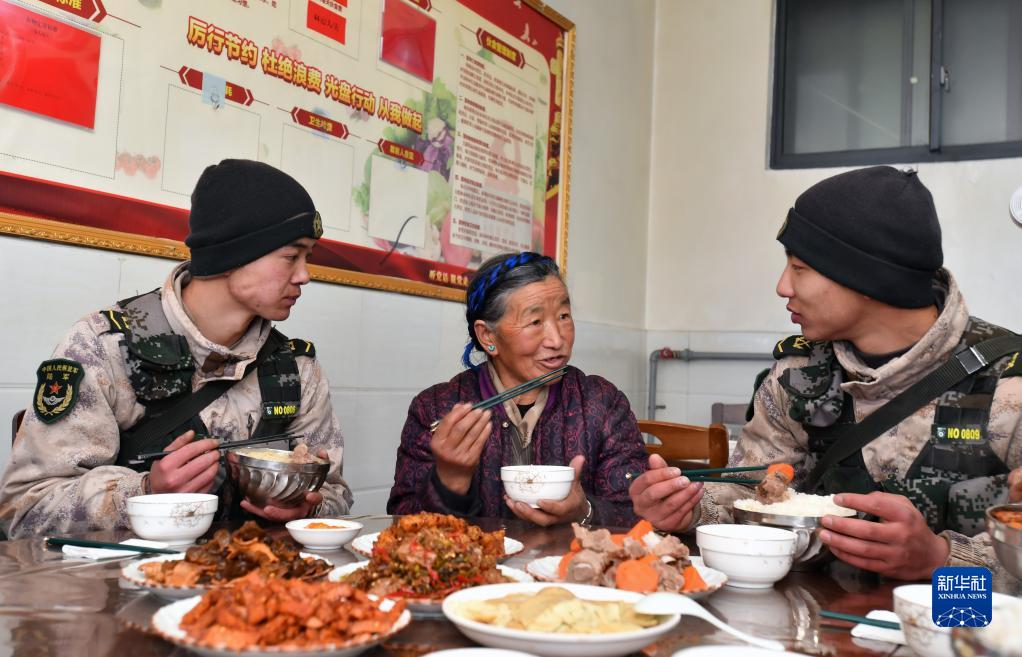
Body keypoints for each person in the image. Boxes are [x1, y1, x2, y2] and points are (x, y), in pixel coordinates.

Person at [630, 166, 1021, 590]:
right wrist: (688, 510)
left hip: (959, 622)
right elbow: (745, 499)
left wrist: (941, 559)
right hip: (817, 619)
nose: (783, 286)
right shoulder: (796, 377)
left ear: (867, 277)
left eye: (799, 267)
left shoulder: (1008, 387)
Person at [0, 159, 354, 538]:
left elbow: (335, 493)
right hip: (125, 575)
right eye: (291, 256)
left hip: (253, 572)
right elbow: (24, 509)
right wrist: (144, 492)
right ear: (234, 253)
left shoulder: (295, 368)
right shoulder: (103, 347)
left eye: (307, 258)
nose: (304, 275)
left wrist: (306, 507)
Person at [388, 252, 648, 526]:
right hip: (479, 555)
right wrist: (449, 482)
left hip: (571, 555)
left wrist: (584, 511)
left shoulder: (601, 402)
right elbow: (402, 521)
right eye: (535, 322)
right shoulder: (436, 407)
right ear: (488, 336)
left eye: (563, 316)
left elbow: (638, 512)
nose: (557, 339)